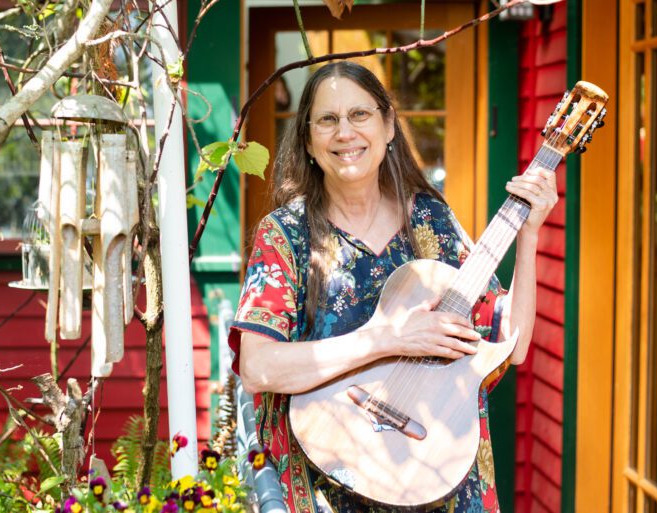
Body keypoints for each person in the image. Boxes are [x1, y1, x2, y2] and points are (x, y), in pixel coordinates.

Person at [228, 61, 558, 513]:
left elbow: (510, 344)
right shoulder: (286, 235)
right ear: (307, 141)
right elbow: (259, 368)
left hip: (441, 482)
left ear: (388, 127)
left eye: (360, 115)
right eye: (328, 119)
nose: (345, 132)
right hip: (326, 485)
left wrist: (530, 236)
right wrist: (388, 339)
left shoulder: (430, 221)